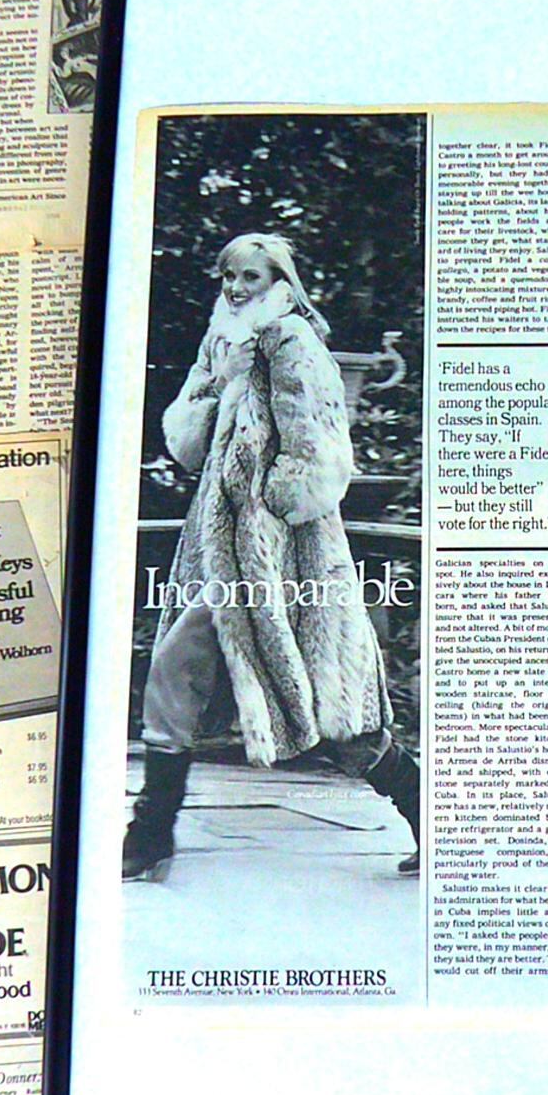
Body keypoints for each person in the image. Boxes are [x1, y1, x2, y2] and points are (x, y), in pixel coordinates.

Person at [123, 232, 420, 881]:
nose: (235, 288)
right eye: (228, 276)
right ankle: (150, 832)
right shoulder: (223, 340)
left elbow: (318, 448)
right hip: (219, 553)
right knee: (176, 671)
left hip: (282, 557)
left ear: (279, 281)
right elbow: (190, 445)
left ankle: (426, 810)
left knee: (331, 716)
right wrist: (217, 382)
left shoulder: (291, 339)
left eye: (250, 277)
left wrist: (274, 514)